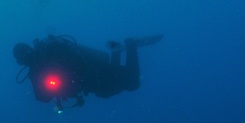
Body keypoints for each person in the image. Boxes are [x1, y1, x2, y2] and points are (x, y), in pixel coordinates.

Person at [13, 34, 163, 112]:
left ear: (29, 51)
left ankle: (131, 43)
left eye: (24, 56)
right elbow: (41, 98)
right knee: (110, 91)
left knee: (132, 83)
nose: (25, 61)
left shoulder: (50, 51)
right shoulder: (35, 72)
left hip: (95, 72)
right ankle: (116, 50)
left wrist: (62, 77)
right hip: (90, 83)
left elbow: (76, 60)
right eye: (21, 59)